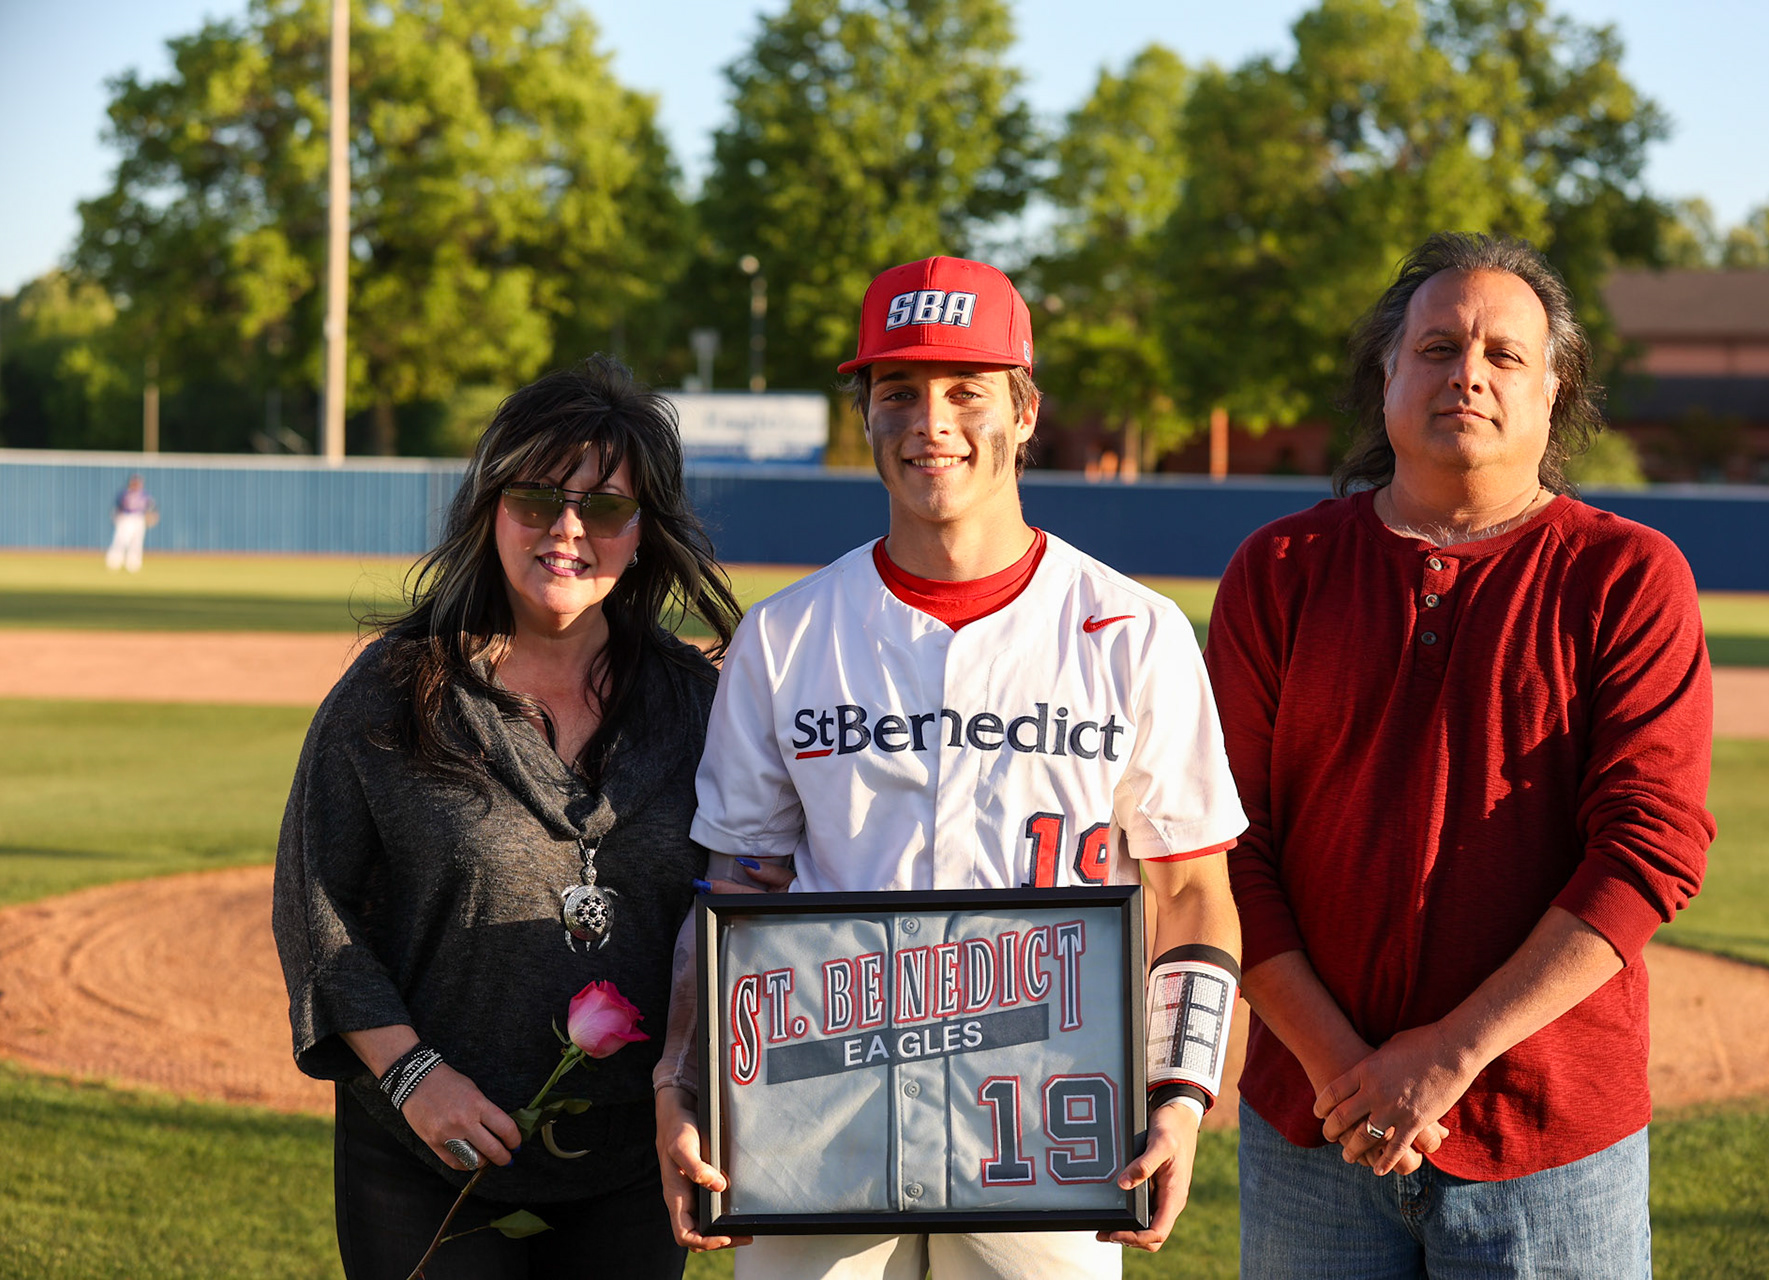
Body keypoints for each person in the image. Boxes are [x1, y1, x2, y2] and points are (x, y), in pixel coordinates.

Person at [652, 255, 1248, 1279]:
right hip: (818, 1103)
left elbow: (1193, 888)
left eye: (967, 391)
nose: (932, 421)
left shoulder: (1133, 631)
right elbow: (734, 886)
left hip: (1049, 1112)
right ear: (869, 418)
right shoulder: (787, 634)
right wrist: (681, 1075)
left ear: (1024, 412)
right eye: (899, 394)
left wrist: (1179, 1095)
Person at [1204, 232, 1715, 1278]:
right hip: (1315, 1127)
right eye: (1436, 346)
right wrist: (1341, 1065)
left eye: (1503, 353)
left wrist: (1445, 1056)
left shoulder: (1627, 575)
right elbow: (1221, 843)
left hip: (1549, 1136)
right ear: (1387, 373)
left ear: (1553, 388)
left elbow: (1650, 850)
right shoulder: (1280, 570)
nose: (1467, 373)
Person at [273, 355, 742, 1280]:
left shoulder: (698, 706)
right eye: (536, 498)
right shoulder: (396, 691)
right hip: (424, 1159)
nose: (567, 529)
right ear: (491, 508)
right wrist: (412, 1077)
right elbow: (313, 903)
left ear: (642, 532)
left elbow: (741, 899)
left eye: (603, 506)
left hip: (629, 1168)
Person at [104, 474, 156, 571]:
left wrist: (152, 517)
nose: (137, 485)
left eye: (138, 483)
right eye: (135, 483)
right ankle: (114, 562)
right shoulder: (124, 494)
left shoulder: (145, 495)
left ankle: (133, 564)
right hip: (126, 518)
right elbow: (117, 507)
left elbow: (152, 508)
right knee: (120, 540)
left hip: (139, 518)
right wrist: (117, 517)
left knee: (136, 542)